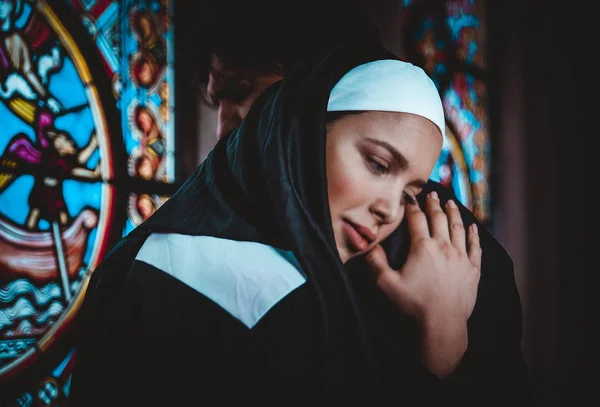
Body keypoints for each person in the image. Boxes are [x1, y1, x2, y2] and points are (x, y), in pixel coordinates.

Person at [68, 42, 529, 405]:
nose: (228, 125)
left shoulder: (455, 261)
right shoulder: (165, 265)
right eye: (376, 164)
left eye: (247, 92)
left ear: (298, 104)